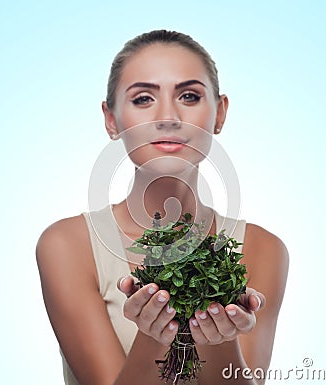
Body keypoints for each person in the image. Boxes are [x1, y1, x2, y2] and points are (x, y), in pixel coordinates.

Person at [36, 30, 289, 385]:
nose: (168, 116)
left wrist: (221, 334)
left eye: (188, 96)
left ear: (220, 113)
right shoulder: (67, 245)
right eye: (143, 98)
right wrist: (156, 334)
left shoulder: (263, 249)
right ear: (111, 119)